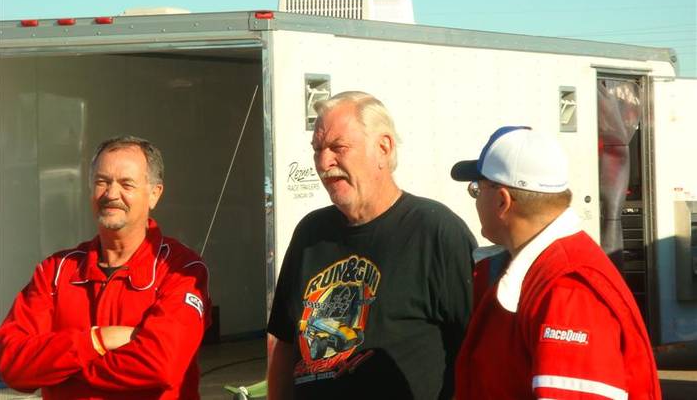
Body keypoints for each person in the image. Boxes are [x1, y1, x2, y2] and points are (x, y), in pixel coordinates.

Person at [267, 91, 476, 400]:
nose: (323, 162)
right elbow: (285, 343)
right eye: (317, 150)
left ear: (383, 148)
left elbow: (477, 348)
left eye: (338, 147)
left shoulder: (435, 232)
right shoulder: (310, 233)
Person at [451, 126, 661, 399]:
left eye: (476, 190)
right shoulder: (546, 272)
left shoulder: (568, 289)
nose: (476, 200)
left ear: (502, 201)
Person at [0, 136, 211, 399]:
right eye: (102, 182)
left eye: (126, 184)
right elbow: (11, 363)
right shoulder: (55, 271)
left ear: (154, 194)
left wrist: (59, 371)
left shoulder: (181, 269)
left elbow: (161, 365)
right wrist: (97, 340)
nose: (111, 194)